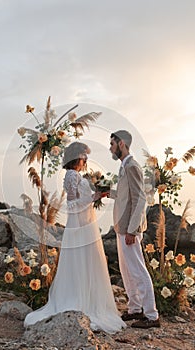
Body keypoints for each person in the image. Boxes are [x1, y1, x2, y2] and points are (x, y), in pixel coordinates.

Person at [24, 141, 126, 333]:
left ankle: (89, 301)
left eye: (85, 156)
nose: (85, 159)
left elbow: (82, 201)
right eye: (82, 155)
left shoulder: (77, 175)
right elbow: (72, 205)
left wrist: (97, 195)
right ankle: (79, 303)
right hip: (79, 226)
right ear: (75, 158)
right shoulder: (71, 175)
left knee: (88, 263)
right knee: (81, 263)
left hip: (86, 224)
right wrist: (93, 197)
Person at [108, 130, 160, 329]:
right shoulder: (124, 166)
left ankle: (152, 315)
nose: (110, 148)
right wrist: (108, 193)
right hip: (122, 227)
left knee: (138, 270)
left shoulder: (131, 166)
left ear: (121, 144)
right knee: (127, 270)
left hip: (129, 229)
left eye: (112, 144)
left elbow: (140, 199)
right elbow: (125, 196)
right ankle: (135, 308)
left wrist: (132, 230)